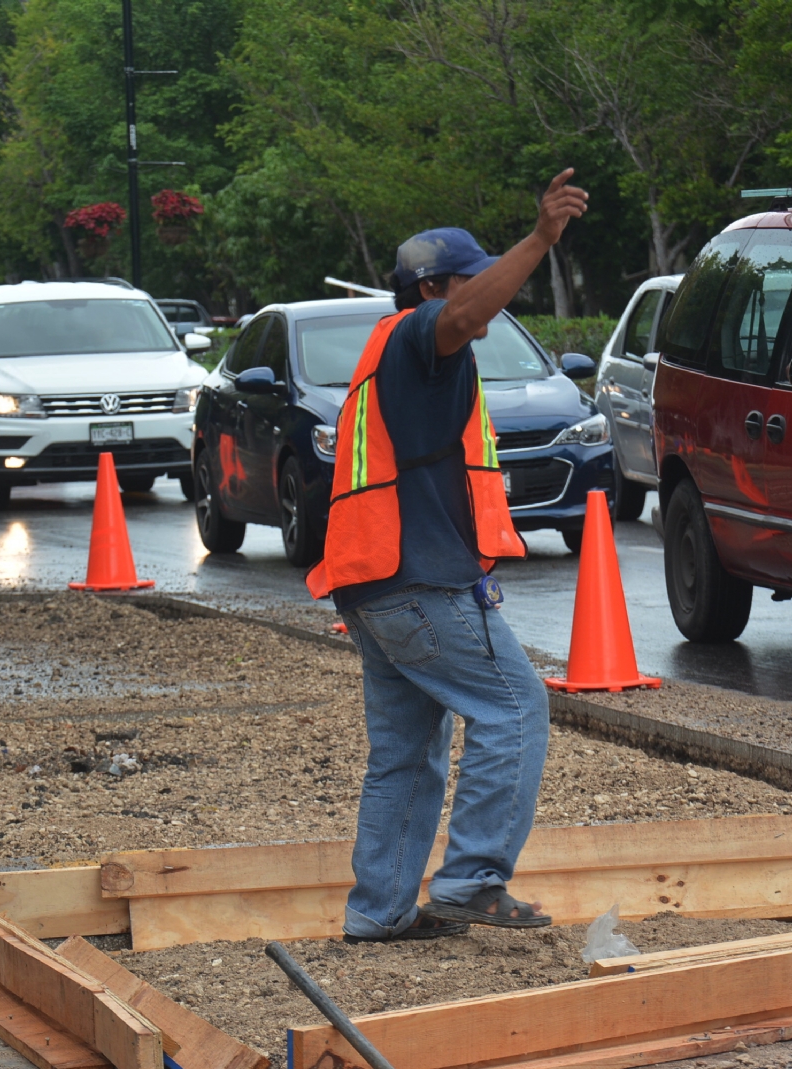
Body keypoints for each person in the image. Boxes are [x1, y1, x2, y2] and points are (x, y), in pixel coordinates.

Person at [305, 169, 589, 942]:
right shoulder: (416, 339)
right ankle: (471, 879)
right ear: (433, 288)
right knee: (517, 707)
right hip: (420, 583)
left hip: (377, 587)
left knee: (407, 753)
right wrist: (539, 240)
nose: (487, 296)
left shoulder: (393, 353)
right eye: (474, 280)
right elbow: (461, 314)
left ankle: (379, 912)